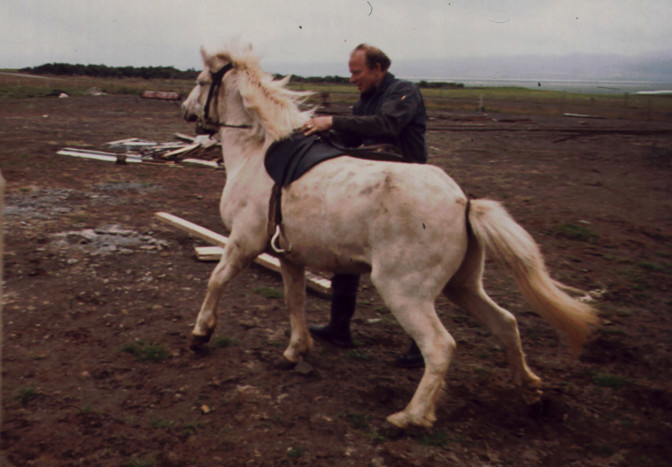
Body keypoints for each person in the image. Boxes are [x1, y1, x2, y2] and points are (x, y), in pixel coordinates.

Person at [302, 43, 427, 368]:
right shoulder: (364, 101)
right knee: (345, 251)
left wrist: (332, 121)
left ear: (378, 69)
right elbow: (349, 140)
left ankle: (421, 344)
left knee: (406, 265)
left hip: (407, 188)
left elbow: (387, 125)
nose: (352, 79)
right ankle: (339, 328)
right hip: (375, 188)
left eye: (357, 72)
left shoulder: (404, 92)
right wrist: (311, 136)